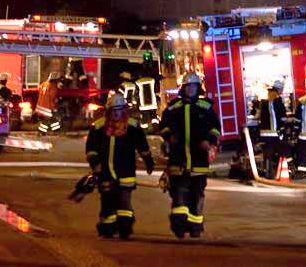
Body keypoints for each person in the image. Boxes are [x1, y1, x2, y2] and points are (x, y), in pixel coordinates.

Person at [159, 71, 221, 239]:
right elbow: (163, 126)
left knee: (197, 194)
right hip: (178, 159)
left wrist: (210, 141)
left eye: (193, 86)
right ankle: (179, 225)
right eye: (188, 86)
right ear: (183, 88)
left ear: (198, 88)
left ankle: (195, 226)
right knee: (179, 193)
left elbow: (215, 127)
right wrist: (169, 136)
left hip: (198, 159)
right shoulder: (173, 107)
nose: (191, 89)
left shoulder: (206, 107)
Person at [85, 93, 155, 239]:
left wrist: (149, 162)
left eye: (119, 110)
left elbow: (142, 146)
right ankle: (108, 227)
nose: (116, 114)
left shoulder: (132, 127)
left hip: (126, 171)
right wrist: (95, 163)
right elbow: (91, 148)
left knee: (124, 201)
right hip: (105, 171)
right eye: (114, 110)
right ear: (108, 111)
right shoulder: (98, 127)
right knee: (107, 201)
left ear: (124, 110)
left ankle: (125, 226)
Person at [253, 80, 288, 179]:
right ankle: (281, 169)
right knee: (281, 149)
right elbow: (282, 115)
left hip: (264, 131)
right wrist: (284, 125)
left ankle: (267, 170)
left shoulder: (262, 96)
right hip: (274, 131)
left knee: (267, 152)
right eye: (281, 89)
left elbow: (255, 112)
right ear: (278, 88)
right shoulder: (276, 98)